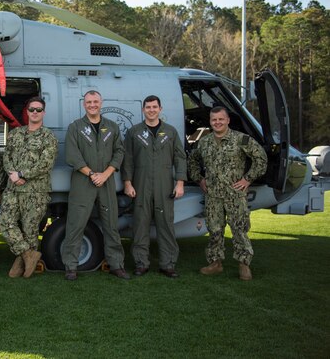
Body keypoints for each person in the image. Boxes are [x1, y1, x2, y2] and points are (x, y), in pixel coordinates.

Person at [188, 106, 267, 281]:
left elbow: (261, 158)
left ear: (228, 120)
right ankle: (215, 263)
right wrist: (199, 179)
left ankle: (244, 264)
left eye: (221, 119)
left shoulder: (241, 140)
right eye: (214, 120)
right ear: (210, 121)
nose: (217, 122)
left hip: (234, 194)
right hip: (213, 195)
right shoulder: (204, 142)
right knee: (215, 230)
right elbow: (192, 160)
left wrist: (248, 179)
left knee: (239, 230)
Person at [61, 90, 128, 281]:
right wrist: (91, 174)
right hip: (83, 182)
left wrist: (105, 174)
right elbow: (72, 156)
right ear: (84, 105)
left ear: (101, 103)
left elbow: (119, 152)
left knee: (111, 226)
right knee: (75, 225)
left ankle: (117, 264)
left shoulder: (112, 127)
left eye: (95, 101)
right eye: (89, 102)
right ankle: (71, 266)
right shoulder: (75, 127)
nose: (92, 105)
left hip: (106, 182)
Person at [122, 95, 187, 278]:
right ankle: (141, 263)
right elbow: (127, 159)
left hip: (164, 186)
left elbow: (180, 158)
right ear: (143, 110)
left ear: (160, 109)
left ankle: (168, 264)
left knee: (165, 225)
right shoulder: (134, 132)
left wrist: (180, 182)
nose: (151, 110)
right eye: (148, 107)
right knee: (140, 226)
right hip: (141, 185)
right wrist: (127, 182)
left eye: (154, 107)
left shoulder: (170, 132)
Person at [0, 97, 58, 278]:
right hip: (13, 188)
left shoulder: (48, 136)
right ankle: (27, 254)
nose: (35, 113)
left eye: (38, 110)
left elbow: (45, 164)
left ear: (43, 113)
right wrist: (13, 175)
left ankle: (23, 264)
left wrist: (22, 174)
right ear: (27, 111)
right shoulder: (16, 134)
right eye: (32, 109)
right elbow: (6, 157)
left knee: (30, 229)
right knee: (5, 222)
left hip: (35, 190)